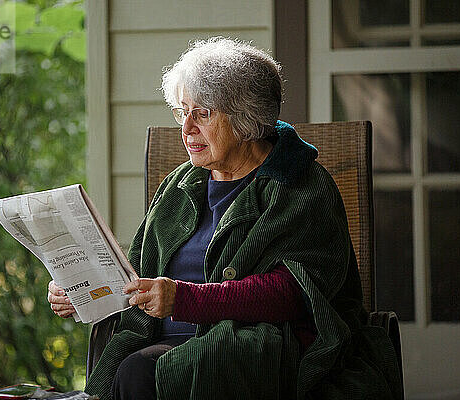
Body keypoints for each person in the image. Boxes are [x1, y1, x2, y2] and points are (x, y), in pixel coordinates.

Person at [47, 37, 401, 400]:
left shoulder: (301, 184)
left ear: (247, 117)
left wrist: (186, 299)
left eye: (203, 114)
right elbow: (137, 273)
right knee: (126, 371)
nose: (186, 129)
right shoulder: (179, 184)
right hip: (157, 342)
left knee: (139, 372)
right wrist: (87, 291)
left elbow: (293, 293)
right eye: (181, 111)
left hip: (262, 346)